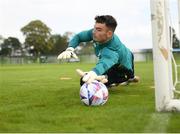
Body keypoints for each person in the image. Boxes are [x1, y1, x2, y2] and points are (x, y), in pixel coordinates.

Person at [57, 15, 139, 87]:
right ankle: (128, 78)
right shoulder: (94, 33)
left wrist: (93, 73)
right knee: (84, 81)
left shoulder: (113, 48)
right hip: (114, 62)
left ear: (109, 34)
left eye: (99, 30)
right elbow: (79, 37)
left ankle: (129, 77)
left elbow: (104, 63)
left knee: (106, 79)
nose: (93, 32)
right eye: (94, 28)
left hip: (123, 67)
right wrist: (70, 49)